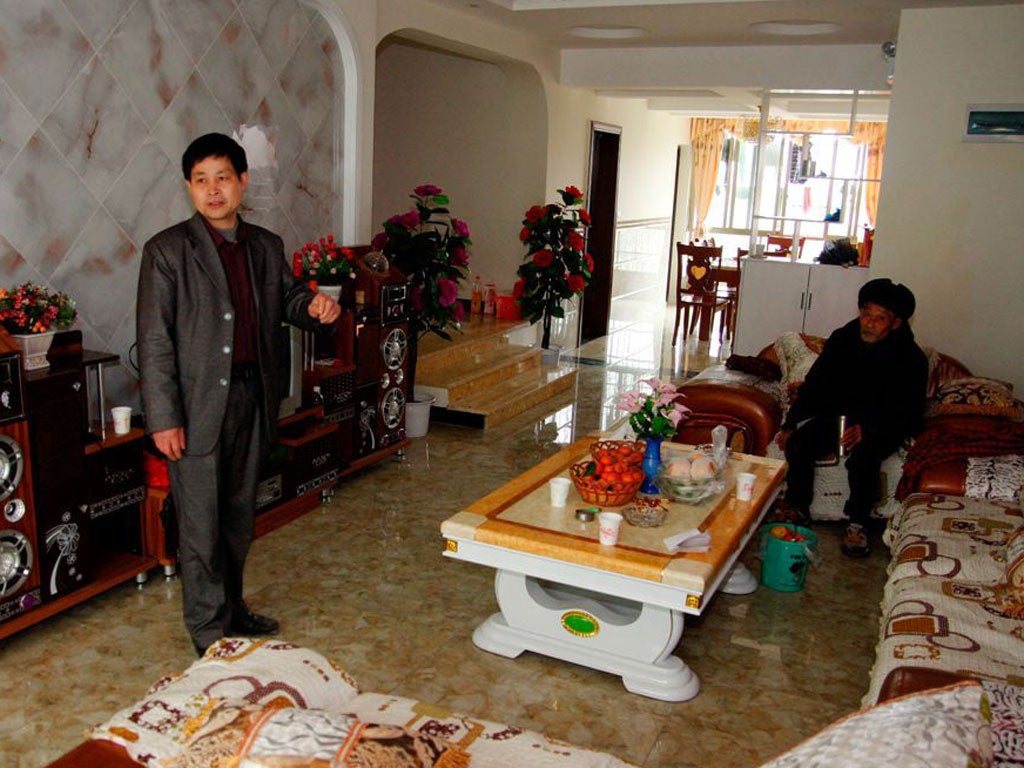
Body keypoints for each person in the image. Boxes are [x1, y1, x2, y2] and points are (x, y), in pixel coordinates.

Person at [137, 133, 341, 655]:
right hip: (197, 408)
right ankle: (209, 634)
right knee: (201, 525)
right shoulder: (166, 251)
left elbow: (289, 299)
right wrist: (164, 418)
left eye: (222, 178)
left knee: (238, 519)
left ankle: (233, 609)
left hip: (254, 400)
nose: (212, 190)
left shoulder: (266, 246)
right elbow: (155, 340)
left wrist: (314, 307)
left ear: (242, 181)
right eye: (200, 180)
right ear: (188, 187)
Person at [773, 278, 928, 557]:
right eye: (866, 314)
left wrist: (869, 430)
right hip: (837, 417)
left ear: (896, 324)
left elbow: (908, 411)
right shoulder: (843, 339)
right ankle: (798, 508)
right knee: (800, 443)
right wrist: (790, 424)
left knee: (865, 457)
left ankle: (858, 524)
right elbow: (815, 385)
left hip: (881, 426)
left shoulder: (911, 359)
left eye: (879, 319)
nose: (868, 323)